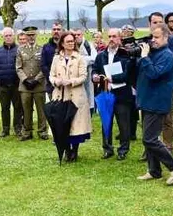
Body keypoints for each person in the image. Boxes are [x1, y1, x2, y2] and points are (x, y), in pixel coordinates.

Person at [136, 24, 173, 185]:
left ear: (166, 37)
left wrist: (144, 58)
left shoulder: (167, 56)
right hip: (146, 100)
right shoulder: (152, 52)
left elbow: (154, 74)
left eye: (157, 37)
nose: (153, 40)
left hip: (157, 102)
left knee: (150, 139)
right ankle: (154, 171)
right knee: (148, 138)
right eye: (152, 36)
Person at [49, 32, 91, 162]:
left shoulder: (80, 58)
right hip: (61, 95)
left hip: (76, 96)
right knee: (62, 123)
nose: (71, 43)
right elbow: (51, 75)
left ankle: (75, 151)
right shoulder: (57, 58)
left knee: (75, 124)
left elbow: (83, 76)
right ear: (62, 43)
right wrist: (56, 81)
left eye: (72, 41)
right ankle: (66, 150)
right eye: (68, 41)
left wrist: (71, 81)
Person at [93, 29, 133, 160]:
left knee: (123, 124)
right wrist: (94, 76)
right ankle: (107, 148)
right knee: (106, 123)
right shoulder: (101, 56)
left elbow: (127, 75)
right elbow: (95, 69)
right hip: (105, 93)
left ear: (120, 38)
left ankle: (123, 149)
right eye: (109, 36)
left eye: (114, 36)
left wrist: (112, 78)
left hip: (121, 95)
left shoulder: (125, 55)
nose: (111, 39)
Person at [148, 12, 173, 151]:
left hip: (165, 83)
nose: (158, 24)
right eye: (155, 22)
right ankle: (150, 147)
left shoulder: (170, 39)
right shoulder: (146, 40)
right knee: (149, 119)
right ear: (149, 24)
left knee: (167, 118)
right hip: (150, 84)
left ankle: (168, 146)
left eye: (160, 22)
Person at [16, 26, 49, 141]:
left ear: (36, 35)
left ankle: (42, 131)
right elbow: (18, 67)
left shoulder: (42, 49)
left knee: (41, 110)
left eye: (33, 35)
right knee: (26, 110)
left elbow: (44, 67)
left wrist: (36, 80)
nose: (31, 37)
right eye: (28, 35)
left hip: (38, 85)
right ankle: (27, 132)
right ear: (25, 36)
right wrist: (25, 80)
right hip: (25, 86)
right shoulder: (20, 50)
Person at [0, 27, 23, 138]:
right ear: (3, 37)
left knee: (18, 108)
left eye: (10, 35)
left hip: (16, 84)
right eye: (6, 36)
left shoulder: (19, 50)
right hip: (3, 85)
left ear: (13, 36)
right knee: (5, 108)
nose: (8, 37)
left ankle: (18, 128)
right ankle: (5, 129)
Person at [75, 28, 98, 114]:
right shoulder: (72, 45)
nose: (76, 37)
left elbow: (95, 58)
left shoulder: (88, 45)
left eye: (78, 35)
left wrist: (81, 60)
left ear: (82, 35)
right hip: (76, 76)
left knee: (88, 96)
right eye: (75, 35)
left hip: (88, 75)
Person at [41, 22, 62, 99]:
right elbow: (43, 65)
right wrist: (52, 78)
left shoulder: (65, 46)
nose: (56, 31)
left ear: (62, 31)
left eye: (58, 29)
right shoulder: (46, 47)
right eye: (54, 29)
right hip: (51, 84)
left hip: (65, 84)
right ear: (51, 31)